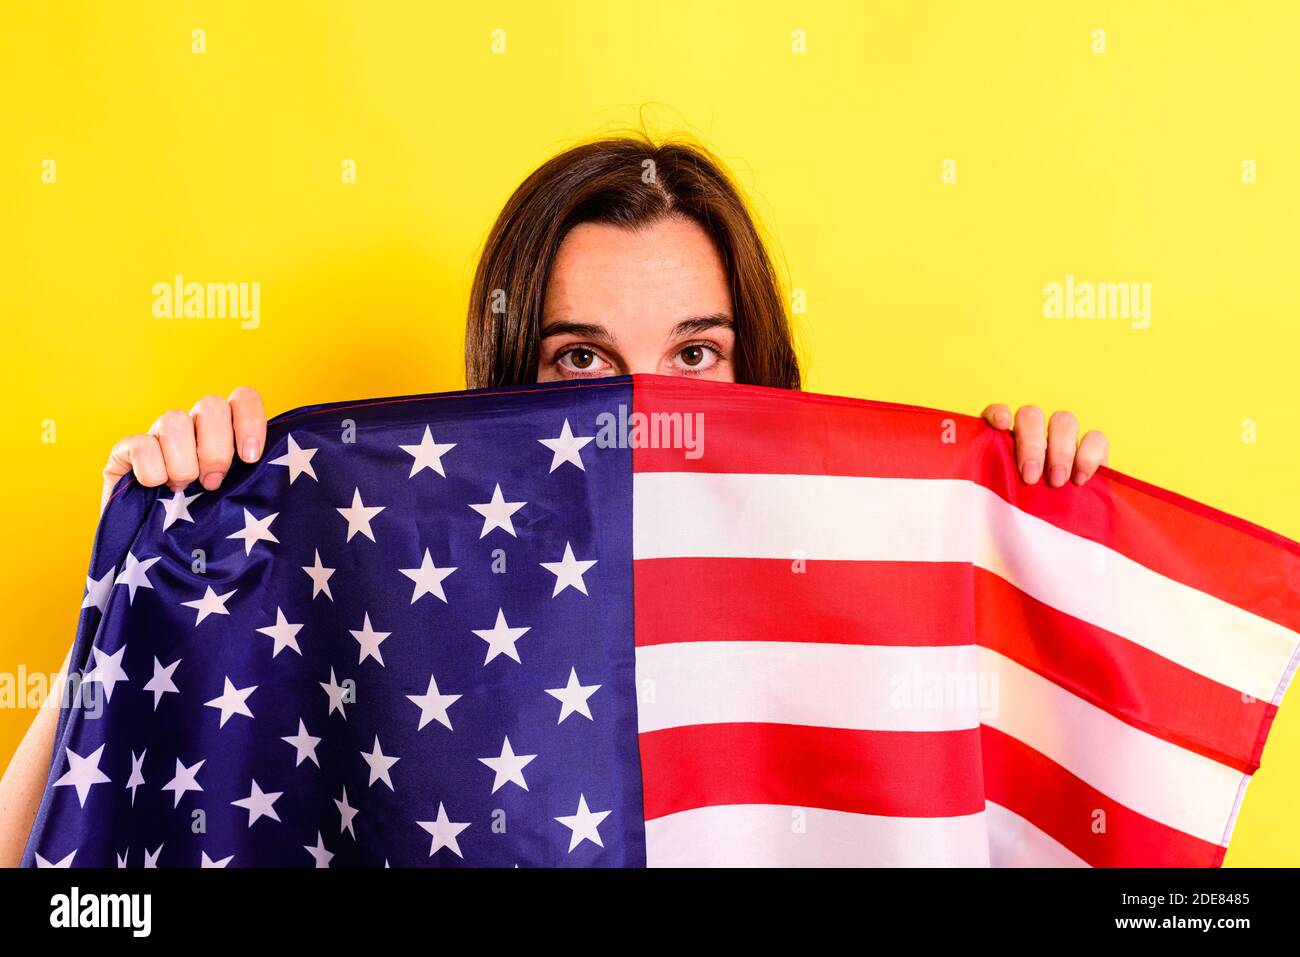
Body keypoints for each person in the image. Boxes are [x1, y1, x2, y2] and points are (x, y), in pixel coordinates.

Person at [0, 132, 1108, 866]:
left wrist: (1027, 552)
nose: (636, 410)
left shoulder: (869, 597)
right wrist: (142, 580)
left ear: (757, 366)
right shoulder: (373, 587)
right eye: (580, 359)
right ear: (506, 378)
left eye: (694, 352)